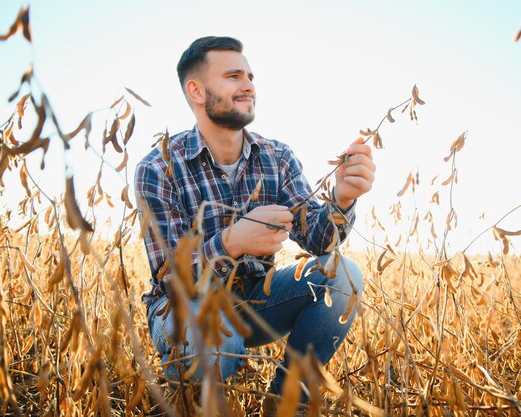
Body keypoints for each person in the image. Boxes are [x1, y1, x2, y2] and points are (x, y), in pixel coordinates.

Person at [134, 36, 375, 415]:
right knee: (216, 334)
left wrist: (342, 199)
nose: (248, 85)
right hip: (185, 310)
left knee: (343, 275)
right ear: (196, 90)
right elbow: (170, 276)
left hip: (256, 300)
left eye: (249, 76)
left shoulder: (277, 156)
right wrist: (232, 240)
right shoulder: (158, 168)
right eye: (233, 76)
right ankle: (186, 406)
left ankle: (286, 405)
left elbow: (318, 239)